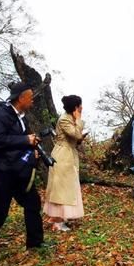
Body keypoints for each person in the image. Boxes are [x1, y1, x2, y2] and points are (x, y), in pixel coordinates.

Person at [0, 82, 44, 262]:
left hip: (20, 171)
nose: (33, 101)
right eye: (30, 97)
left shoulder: (22, 118)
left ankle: (35, 243)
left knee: (33, 203)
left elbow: (23, 141)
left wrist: (32, 149)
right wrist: (25, 140)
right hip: (3, 172)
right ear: (21, 98)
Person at [44, 95, 86, 232]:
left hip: (69, 154)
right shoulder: (64, 119)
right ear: (75, 107)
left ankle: (60, 217)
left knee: (67, 187)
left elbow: (76, 138)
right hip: (62, 155)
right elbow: (76, 134)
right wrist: (79, 119)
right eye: (80, 105)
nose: (81, 107)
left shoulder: (70, 118)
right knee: (61, 188)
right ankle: (57, 220)